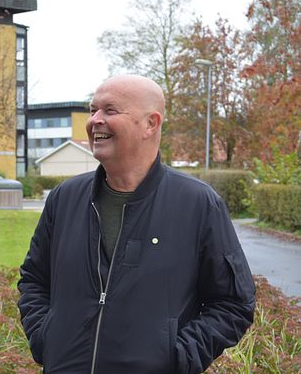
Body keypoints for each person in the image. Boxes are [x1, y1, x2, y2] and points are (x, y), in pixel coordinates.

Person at [17, 74, 255, 373]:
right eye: (93, 110)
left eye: (110, 110)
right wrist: (46, 338)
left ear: (150, 124)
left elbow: (233, 303)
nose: (94, 121)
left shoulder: (197, 204)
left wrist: (175, 358)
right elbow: (34, 280)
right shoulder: (65, 198)